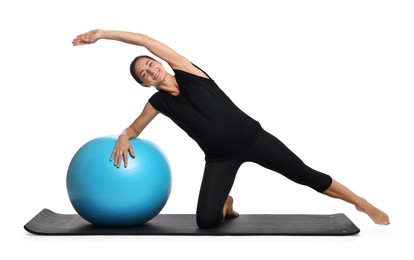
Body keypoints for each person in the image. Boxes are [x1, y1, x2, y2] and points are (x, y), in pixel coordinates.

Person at [72, 29, 390, 228]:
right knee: (207, 222)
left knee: (305, 175)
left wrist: (102, 34)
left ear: (160, 63)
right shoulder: (159, 103)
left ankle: (361, 203)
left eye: (149, 64)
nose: (150, 70)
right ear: (144, 84)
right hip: (220, 158)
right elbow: (133, 129)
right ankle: (227, 202)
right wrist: (124, 136)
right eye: (144, 74)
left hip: (254, 139)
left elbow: (145, 41)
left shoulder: (188, 71)